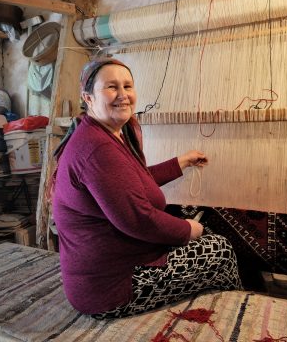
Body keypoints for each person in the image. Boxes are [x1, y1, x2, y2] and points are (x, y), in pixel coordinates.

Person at [53, 57, 242, 319]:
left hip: (109, 269)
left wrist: (180, 162)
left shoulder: (107, 135)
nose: (123, 95)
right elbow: (138, 219)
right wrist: (189, 229)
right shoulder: (97, 148)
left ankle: (220, 309)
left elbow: (129, 184)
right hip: (111, 287)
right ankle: (232, 317)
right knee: (219, 249)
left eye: (127, 86)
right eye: (111, 87)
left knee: (203, 242)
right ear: (88, 98)